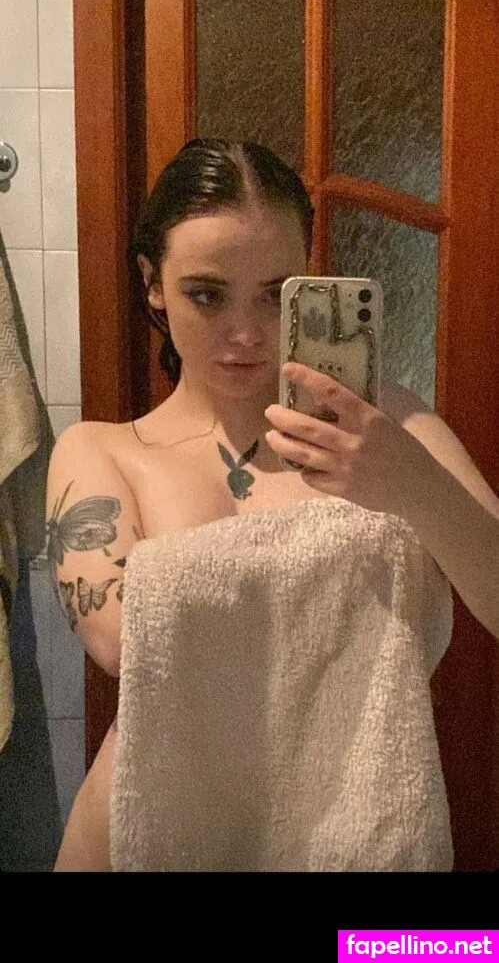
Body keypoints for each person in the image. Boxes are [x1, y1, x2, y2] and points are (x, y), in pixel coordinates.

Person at [46, 138, 499, 871]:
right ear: (152, 283)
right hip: (145, 833)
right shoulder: (100, 452)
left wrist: (411, 485)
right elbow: (124, 645)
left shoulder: (390, 426)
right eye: (206, 293)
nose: (246, 333)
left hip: (361, 832)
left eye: (273, 291)